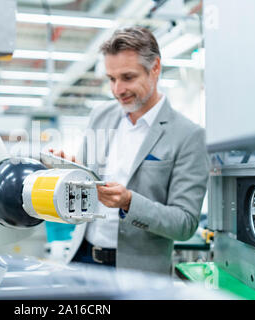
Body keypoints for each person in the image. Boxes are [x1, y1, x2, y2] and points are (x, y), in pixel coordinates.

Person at [50, 26, 210, 276]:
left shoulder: (189, 136)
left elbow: (185, 223)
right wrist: (70, 172)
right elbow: (88, 185)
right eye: (111, 79)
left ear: (155, 68)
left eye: (128, 77)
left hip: (137, 272)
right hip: (82, 260)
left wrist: (129, 202)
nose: (117, 90)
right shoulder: (100, 116)